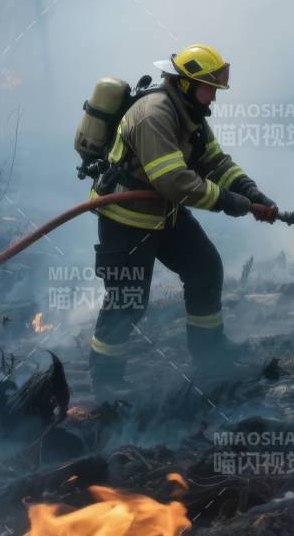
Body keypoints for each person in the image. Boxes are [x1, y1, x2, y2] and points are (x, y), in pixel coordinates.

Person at [86, 43, 279, 396]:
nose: (213, 100)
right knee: (128, 299)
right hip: (126, 220)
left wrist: (251, 192)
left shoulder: (189, 114)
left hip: (164, 214)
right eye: (210, 90)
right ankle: (106, 379)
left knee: (205, 268)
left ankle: (210, 356)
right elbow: (174, 180)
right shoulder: (155, 114)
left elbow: (215, 163)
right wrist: (229, 202)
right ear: (187, 84)